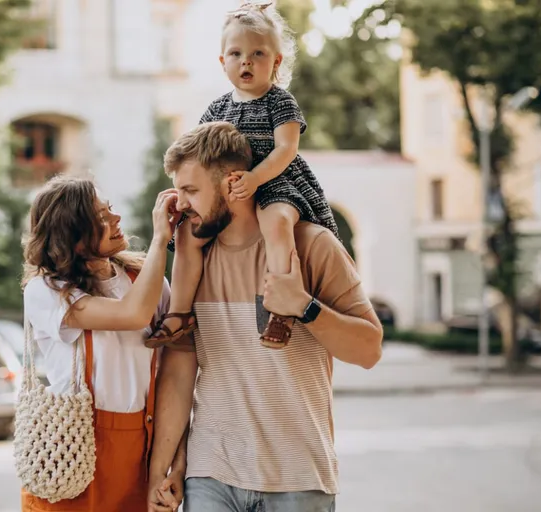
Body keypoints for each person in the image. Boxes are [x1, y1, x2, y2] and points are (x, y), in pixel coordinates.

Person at [147, 122, 384, 512]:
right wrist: (162, 470)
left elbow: (369, 350)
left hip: (298, 479)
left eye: (191, 190)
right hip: (211, 475)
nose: (181, 204)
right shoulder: (193, 261)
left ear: (232, 184)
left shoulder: (312, 246)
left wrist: (305, 307)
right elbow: (178, 373)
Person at [148, 1, 339, 350]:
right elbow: (197, 154)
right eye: (236, 54)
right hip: (227, 190)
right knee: (187, 236)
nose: (246, 62)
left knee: (277, 224)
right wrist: (187, 192)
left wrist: (255, 178)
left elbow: (286, 150)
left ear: (276, 62)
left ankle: (280, 308)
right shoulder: (217, 108)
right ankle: (179, 312)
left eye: (257, 54)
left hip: (275, 182)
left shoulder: (280, 102)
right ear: (223, 61)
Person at [20, 176, 181, 511]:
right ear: (73, 237)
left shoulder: (144, 280)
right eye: (102, 218)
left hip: (139, 447)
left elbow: (173, 374)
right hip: (71, 449)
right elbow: (132, 314)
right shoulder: (46, 290)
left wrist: (174, 463)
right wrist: (160, 239)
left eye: (111, 210)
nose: (116, 219)